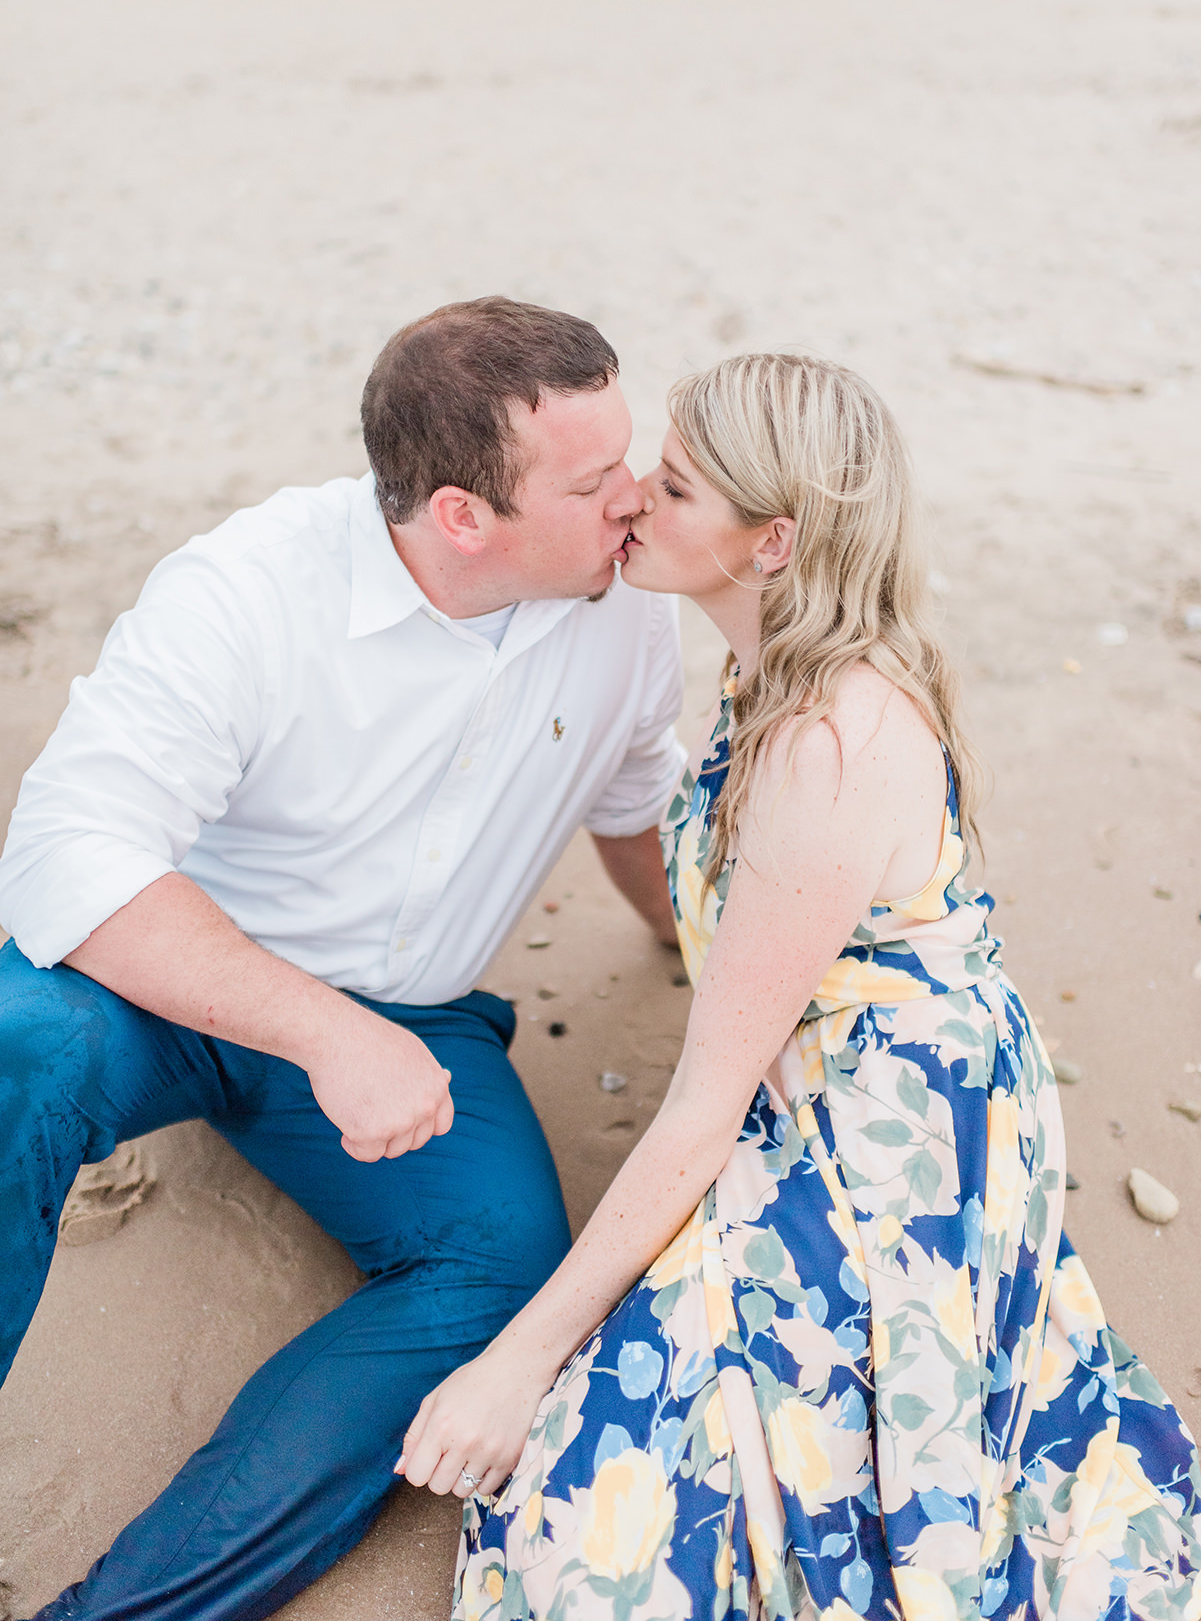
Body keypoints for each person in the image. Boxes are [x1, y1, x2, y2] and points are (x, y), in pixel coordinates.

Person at [401, 351, 1201, 1621]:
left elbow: (706, 1100)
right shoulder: (766, 663)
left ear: (769, 546)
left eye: (669, 489)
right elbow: (739, 906)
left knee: (603, 1517)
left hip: (887, 1132)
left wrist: (513, 1363)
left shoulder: (829, 738)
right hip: (813, 1056)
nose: (630, 506)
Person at [0, 297, 688, 1620]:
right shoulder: (249, 589)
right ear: (460, 517)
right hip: (178, 990)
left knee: (502, 1268)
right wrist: (323, 1031)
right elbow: (65, 855)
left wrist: (697, 948)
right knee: (17, 1042)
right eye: (597, 480)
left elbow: (633, 804)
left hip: (420, 1024)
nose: (638, 498)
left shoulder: (625, 613)